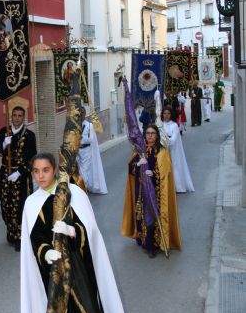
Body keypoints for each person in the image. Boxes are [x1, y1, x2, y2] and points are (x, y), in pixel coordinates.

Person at [20, 153, 136, 313]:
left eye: (46, 170)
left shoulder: (73, 194)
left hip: (77, 269)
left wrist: (71, 230)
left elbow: (88, 231)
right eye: (36, 171)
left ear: (54, 170)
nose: (41, 176)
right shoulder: (31, 203)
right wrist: (45, 252)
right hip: (49, 274)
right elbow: (34, 239)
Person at [121, 124, 182, 257]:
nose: (150, 135)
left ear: (157, 135)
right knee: (142, 215)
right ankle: (144, 240)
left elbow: (166, 173)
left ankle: (153, 245)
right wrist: (138, 165)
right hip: (141, 190)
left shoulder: (162, 151)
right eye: (148, 133)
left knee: (152, 216)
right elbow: (131, 169)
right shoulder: (139, 150)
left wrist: (153, 173)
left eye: (153, 133)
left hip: (156, 191)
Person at [0, 106, 37, 251]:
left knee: (20, 205)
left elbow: (32, 158)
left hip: (21, 176)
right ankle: (11, 233)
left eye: (20, 116)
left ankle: (21, 238)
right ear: (11, 116)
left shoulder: (29, 135)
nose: (17, 118)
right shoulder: (4, 132)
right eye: (14, 115)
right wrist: (4, 144)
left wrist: (20, 173)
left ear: (23, 117)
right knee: (7, 204)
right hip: (5, 174)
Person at [161, 107, 194, 193]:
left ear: (171, 115)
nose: (166, 115)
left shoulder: (174, 125)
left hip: (173, 151)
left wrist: (164, 139)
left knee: (174, 167)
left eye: (168, 113)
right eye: (165, 113)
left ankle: (178, 187)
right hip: (162, 150)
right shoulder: (160, 125)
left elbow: (173, 140)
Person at [77, 107, 108, 194]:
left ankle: (84, 189)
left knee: (84, 171)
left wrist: (82, 137)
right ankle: (82, 187)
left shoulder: (89, 125)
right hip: (78, 151)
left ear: (85, 114)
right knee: (79, 171)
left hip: (86, 150)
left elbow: (91, 139)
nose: (81, 115)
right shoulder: (76, 125)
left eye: (82, 113)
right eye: (79, 113)